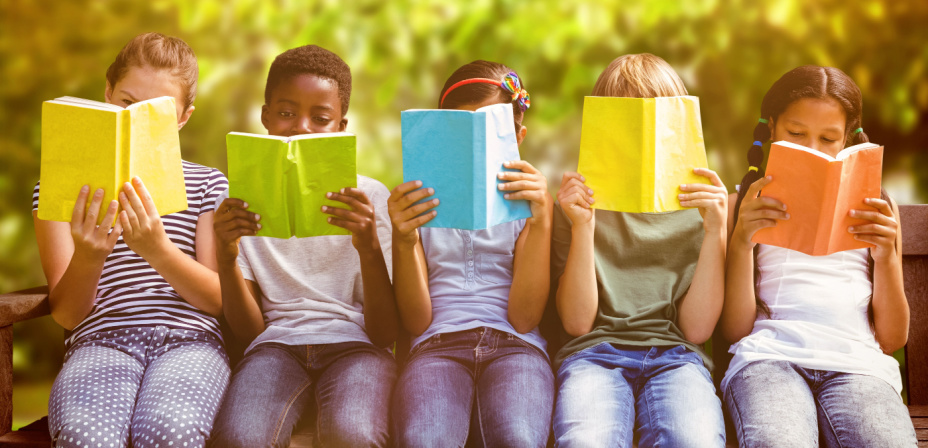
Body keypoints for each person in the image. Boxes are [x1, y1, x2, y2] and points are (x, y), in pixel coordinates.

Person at [34, 32, 230, 448]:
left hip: (188, 342)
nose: (136, 115)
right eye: (126, 102)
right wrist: (89, 256)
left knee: (170, 432)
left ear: (182, 117)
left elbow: (217, 299)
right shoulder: (57, 187)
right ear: (107, 94)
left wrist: (158, 249)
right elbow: (67, 315)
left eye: (155, 111)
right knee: (86, 438)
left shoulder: (209, 184)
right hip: (100, 340)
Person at [208, 44, 398, 448]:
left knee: (354, 435)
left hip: (356, 347)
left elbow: (384, 332)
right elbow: (248, 330)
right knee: (239, 438)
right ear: (265, 117)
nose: (302, 127)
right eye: (286, 112)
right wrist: (226, 259)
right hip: (275, 346)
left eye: (321, 118)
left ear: (341, 127)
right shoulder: (235, 199)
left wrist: (367, 248)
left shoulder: (369, 197)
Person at [720, 65, 917, 447]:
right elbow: (735, 331)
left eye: (828, 138)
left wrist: (887, 258)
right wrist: (742, 242)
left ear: (848, 140)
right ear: (772, 128)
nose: (812, 149)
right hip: (768, 358)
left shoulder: (878, 210)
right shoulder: (742, 206)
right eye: (796, 134)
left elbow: (892, 338)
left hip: (858, 366)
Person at [551, 53, 728, 447]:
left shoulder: (702, 207)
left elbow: (697, 329)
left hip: (677, 358)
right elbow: (578, 323)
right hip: (592, 355)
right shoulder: (577, 204)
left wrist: (716, 229)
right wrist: (583, 227)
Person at [389, 60, 554, 447]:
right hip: (436, 346)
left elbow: (525, 317)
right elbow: (416, 321)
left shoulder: (531, 203)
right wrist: (404, 240)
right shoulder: (417, 202)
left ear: (518, 136)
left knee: (517, 438)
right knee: (426, 439)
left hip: (517, 346)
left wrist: (542, 222)